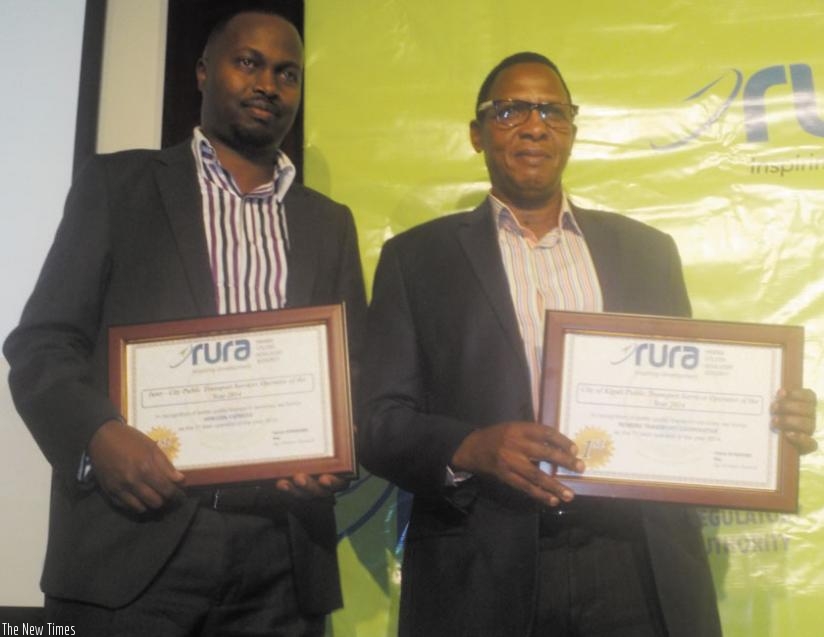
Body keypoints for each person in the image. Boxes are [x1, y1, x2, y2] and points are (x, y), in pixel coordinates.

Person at [358, 52, 817, 637]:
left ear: (571, 131)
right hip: (483, 565)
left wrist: (768, 422)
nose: (533, 124)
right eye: (509, 111)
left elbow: (685, 401)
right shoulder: (417, 260)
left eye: (552, 110)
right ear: (477, 134)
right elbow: (378, 424)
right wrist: (471, 446)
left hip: (634, 561)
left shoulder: (648, 252)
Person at [4, 6, 366, 636]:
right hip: (132, 543)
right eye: (247, 62)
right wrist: (97, 436)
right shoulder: (119, 185)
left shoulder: (328, 222)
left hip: (282, 558)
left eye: (287, 73)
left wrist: (338, 452)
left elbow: (351, 367)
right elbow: (42, 345)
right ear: (203, 72)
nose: (267, 84)